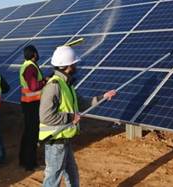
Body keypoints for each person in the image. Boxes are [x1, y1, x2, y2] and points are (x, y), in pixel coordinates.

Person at [39, 46, 116, 187]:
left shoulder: (66, 85)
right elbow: (45, 116)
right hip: (55, 140)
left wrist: (103, 97)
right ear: (68, 66)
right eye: (74, 63)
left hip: (64, 139)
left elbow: (83, 104)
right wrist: (70, 118)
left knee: (72, 175)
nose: (76, 66)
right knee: (52, 179)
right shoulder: (54, 86)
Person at [18, 45, 47, 171]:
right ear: (34, 54)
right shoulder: (30, 67)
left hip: (28, 103)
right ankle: (30, 164)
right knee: (32, 134)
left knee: (28, 132)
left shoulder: (26, 65)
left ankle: (23, 160)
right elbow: (34, 86)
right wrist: (45, 81)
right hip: (32, 105)